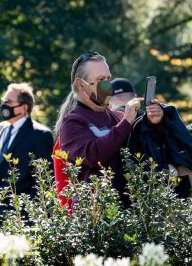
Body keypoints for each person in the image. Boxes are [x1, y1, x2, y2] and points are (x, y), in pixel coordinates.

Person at [58, 52, 162, 201]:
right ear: (80, 84)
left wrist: (154, 122)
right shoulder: (72, 123)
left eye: (108, 79)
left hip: (126, 210)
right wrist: (126, 122)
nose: (107, 85)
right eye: (100, 80)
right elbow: (93, 155)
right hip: (95, 215)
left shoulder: (117, 117)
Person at [0, 83, 54, 201]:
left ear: (24, 108)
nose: (3, 105)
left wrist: (23, 208)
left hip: (17, 213)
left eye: (8, 101)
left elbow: (44, 180)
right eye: (3, 100)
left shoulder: (40, 135)